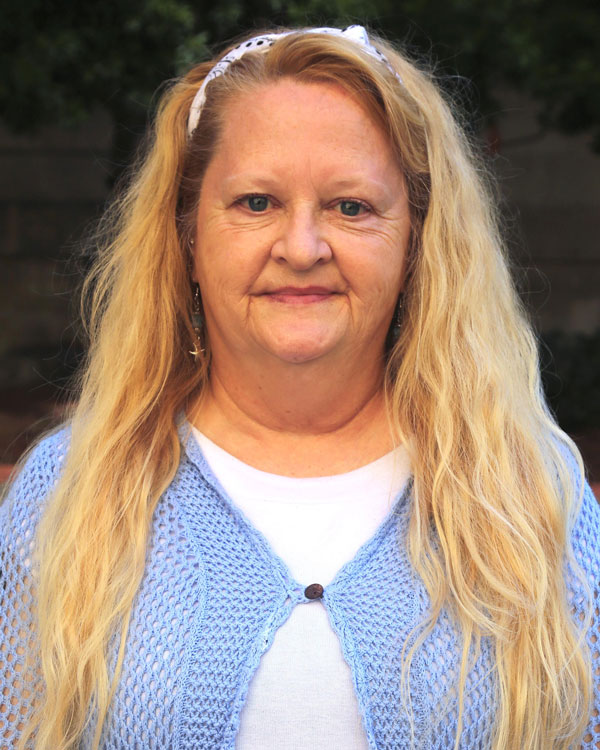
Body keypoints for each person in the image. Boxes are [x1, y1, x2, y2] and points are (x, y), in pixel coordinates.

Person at [0, 24, 598, 750]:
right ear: (187, 232)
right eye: (256, 202)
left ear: (418, 239)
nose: (302, 247)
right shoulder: (70, 491)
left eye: (351, 207)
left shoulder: (531, 495)